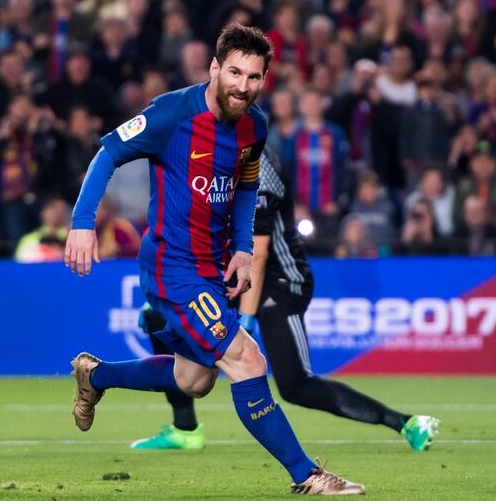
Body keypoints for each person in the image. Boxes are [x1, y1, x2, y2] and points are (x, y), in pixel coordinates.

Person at [63, 23, 364, 495]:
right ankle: (307, 475)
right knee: (247, 359)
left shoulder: (254, 126)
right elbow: (107, 154)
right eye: (235, 73)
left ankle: (96, 375)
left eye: (254, 77)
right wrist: (82, 222)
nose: (243, 86)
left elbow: (245, 185)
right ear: (214, 69)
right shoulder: (170, 115)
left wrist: (244, 249)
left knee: (193, 379)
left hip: (214, 266)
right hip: (172, 269)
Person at [130, 147, 440, 452]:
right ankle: (185, 429)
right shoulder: (209, 153)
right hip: (231, 278)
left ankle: (407, 423)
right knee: (159, 319)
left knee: (296, 385)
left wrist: (245, 320)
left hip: (280, 280)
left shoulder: (258, 164)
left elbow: (259, 253)